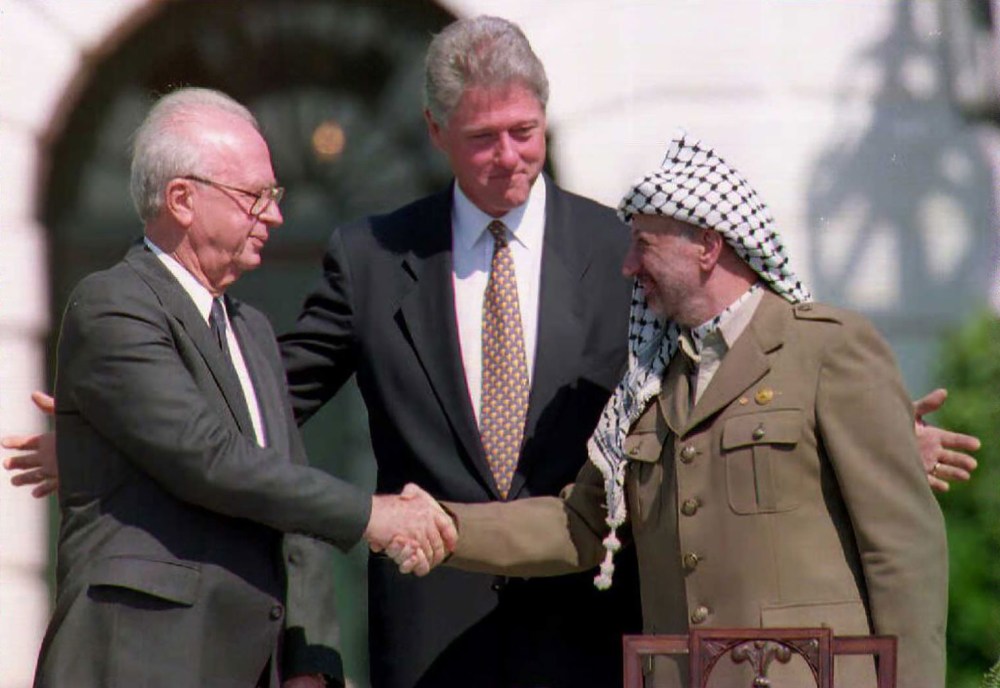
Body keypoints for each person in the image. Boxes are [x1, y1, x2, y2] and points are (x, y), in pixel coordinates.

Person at [1, 14, 977, 688]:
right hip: (435, 637)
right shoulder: (372, 255)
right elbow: (263, 401)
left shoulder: (625, 252)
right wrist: (115, 440)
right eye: (483, 139)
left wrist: (872, 442)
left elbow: (721, 397)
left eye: (524, 132)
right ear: (435, 134)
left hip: (602, 634)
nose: (509, 156)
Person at [415, 132, 950, 688]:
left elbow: (902, 549)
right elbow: (579, 522)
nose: (627, 266)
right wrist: (444, 526)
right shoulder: (647, 384)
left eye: (643, 244)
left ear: (707, 248)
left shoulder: (826, 349)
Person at [26, 87, 455, 688]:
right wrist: (369, 516)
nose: (276, 214)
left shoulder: (250, 329)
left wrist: (312, 660)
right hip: (141, 660)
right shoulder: (113, 305)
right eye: (256, 197)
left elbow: (285, 499)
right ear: (182, 199)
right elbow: (210, 458)